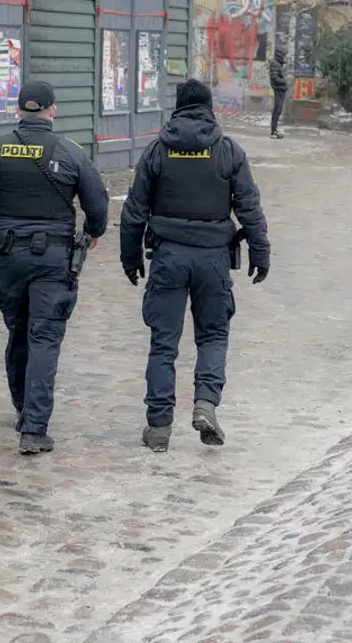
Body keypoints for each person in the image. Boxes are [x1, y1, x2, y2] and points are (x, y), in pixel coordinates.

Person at [0, 80, 109, 456]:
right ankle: (34, 429)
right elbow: (98, 201)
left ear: (19, 110)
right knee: (45, 336)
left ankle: (23, 405)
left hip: (9, 257)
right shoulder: (70, 152)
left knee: (19, 331)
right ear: (52, 111)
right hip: (53, 260)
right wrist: (92, 232)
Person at [119, 80, 271, 452]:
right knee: (213, 334)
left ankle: (158, 428)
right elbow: (249, 207)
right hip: (213, 258)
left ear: (178, 107)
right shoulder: (227, 151)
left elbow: (134, 210)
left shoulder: (157, 150)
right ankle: (205, 403)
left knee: (163, 342)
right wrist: (260, 252)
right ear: (208, 108)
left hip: (168, 257)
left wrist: (131, 257)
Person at [268, 47, 289, 140]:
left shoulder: (278, 64)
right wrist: (284, 82)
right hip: (279, 89)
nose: (285, 58)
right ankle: (273, 131)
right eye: (284, 56)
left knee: (278, 110)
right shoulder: (275, 64)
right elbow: (275, 78)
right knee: (277, 110)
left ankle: (274, 130)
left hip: (281, 89)